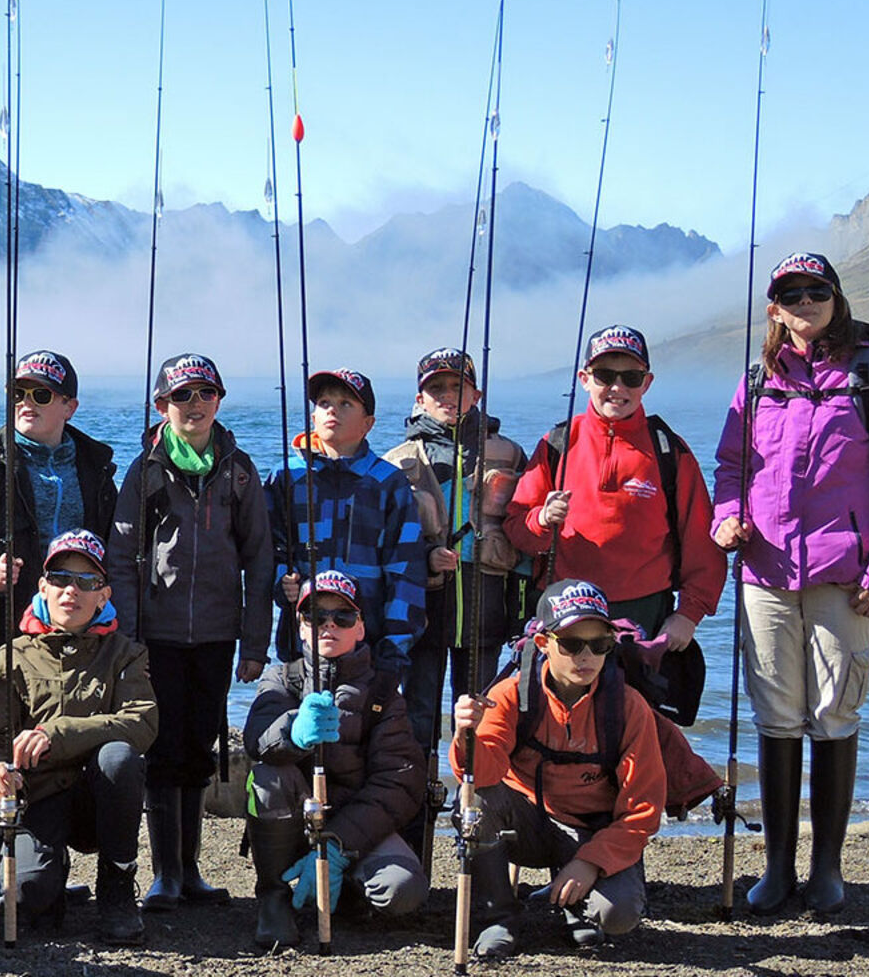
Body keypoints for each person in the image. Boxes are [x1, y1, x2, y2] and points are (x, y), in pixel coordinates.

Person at [712, 252, 869, 916]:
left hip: (846, 577)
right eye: (790, 293)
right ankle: (777, 869)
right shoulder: (757, 377)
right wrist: (727, 519)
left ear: (836, 299)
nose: (804, 303)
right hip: (767, 573)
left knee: (834, 714)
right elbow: (730, 464)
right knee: (775, 716)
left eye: (816, 292)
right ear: (775, 307)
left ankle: (827, 869)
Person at [105, 353, 273, 910]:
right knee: (163, 746)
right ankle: (165, 874)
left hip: (219, 637)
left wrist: (255, 644)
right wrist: (128, 642)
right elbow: (122, 561)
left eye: (204, 393)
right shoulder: (144, 471)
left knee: (201, 745)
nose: (194, 404)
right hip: (158, 638)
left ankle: (194, 870)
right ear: (162, 406)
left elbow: (260, 561)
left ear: (219, 400)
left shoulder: (240, 469)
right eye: (181, 396)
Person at [449, 579, 666, 959]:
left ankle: (575, 908)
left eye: (599, 645)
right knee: (474, 802)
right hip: (527, 824)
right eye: (571, 644)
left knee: (619, 914)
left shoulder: (629, 708)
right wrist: (466, 734)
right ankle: (498, 917)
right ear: (544, 643)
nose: (586, 656)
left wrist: (589, 862)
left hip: (591, 832)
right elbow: (480, 777)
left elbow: (643, 811)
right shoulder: (509, 695)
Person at [0, 529, 157, 945]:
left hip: (98, 795)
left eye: (86, 582)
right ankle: (46, 880)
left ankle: (118, 884)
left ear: (103, 596)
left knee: (120, 758)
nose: (71, 591)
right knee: (31, 900)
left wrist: (59, 732)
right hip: (40, 794)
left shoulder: (126, 653)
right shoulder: (8, 659)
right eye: (60, 578)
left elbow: (142, 722)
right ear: (42, 587)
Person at [505, 325, 725, 647]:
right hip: (562, 609)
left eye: (631, 378)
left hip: (644, 612)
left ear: (647, 383)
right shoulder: (556, 444)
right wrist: (542, 519)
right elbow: (517, 530)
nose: (617, 387)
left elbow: (702, 541)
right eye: (605, 376)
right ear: (584, 379)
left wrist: (688, 615)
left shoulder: (669, 450)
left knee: (639, 700)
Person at [245, 570, 428, 950]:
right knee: (266, 775)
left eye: (342, 617)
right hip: (293, 821)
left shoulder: (384, 693)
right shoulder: (282, 679)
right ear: (300, 627)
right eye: (316, 616)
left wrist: (338, 845)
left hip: (356, 829)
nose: (329, 625)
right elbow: (256, 740)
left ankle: (347, 892)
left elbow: (400, 782)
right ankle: (274, 897)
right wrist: (293, 731)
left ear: (360, 628)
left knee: (403, 890)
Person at [383, 347, 529, 750]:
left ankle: (474, 795)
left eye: (458, 386)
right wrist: (426, 557)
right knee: (418, 713)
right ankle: (420, 798)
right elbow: (386, 545)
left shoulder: (511, 454)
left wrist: (524, 611)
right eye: (436, 388)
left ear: (477, 395)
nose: (448, 396)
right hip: (423, 616)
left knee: (482, 717)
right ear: (419, 399)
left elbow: (528, 536)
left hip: (488, 613)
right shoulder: (396, 462)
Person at [0, 350, 117, 676]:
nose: (26, 403)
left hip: (76, 629)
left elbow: (114, 549)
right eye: (18, 393)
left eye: (41, 394)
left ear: (69, 407)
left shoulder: (96, 469)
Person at [267, 368, 427, 674]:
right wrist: (281, 580)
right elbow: (267, 548)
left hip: (370, 644)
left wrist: (395, 645)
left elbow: (406, 570)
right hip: (303, 642)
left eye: (345, 404)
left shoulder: (388, 482)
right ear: (313, 416)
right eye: (324, 402)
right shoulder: (287, 477)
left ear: (368, 424)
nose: (332, 410)